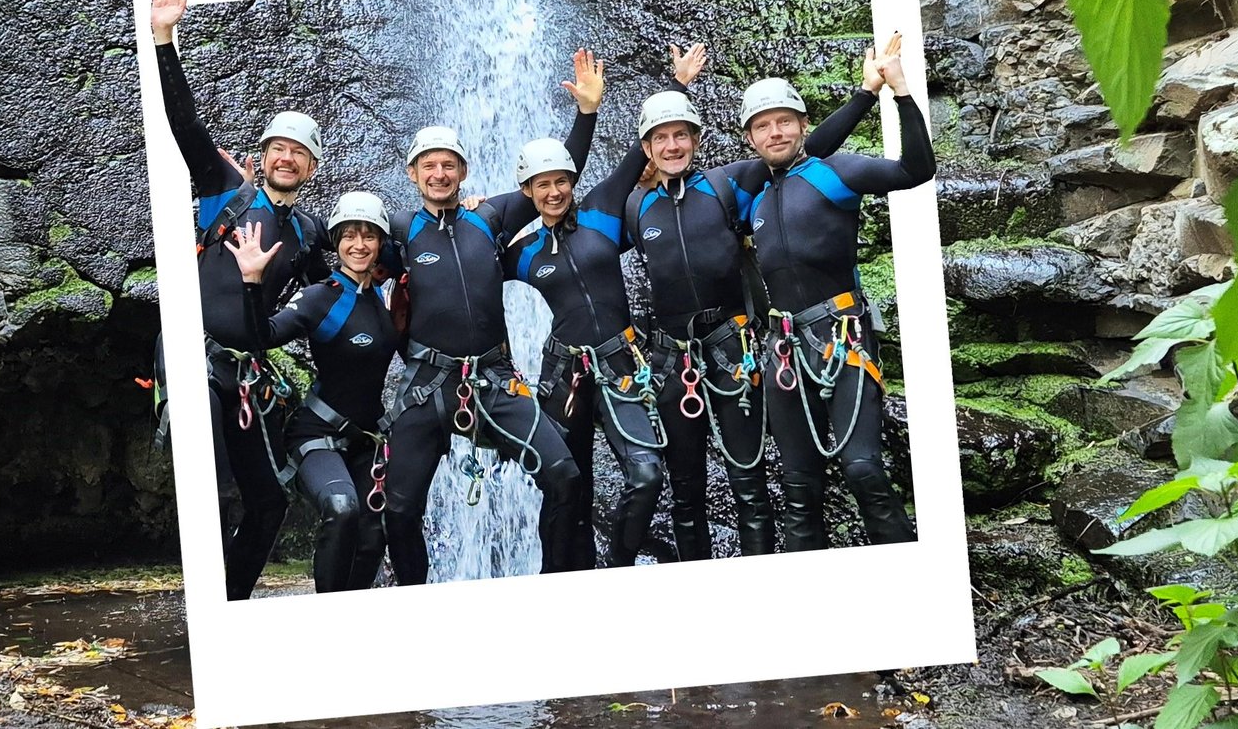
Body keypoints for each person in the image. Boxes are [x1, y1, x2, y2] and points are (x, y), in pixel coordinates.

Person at [625, 43, 886, 560]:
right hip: (672, 358)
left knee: (750, 483)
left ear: (698, 140)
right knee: (685, 493)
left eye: (682, 135)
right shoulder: (636, 206)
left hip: (733, 348)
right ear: (647, 148)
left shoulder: (731, 184)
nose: (672, 146)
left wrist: (867, 94)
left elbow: (802, 154)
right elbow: (575, 225)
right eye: (661, 138)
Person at [378, 51, 603, 585]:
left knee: (565, 475)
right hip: (426, 384)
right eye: (428, 165)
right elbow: (345, 256)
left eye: (448, 164)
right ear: (412, 174)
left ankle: (553, 583)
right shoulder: (398, 229)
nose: (439, 172)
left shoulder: (491, 216)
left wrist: (587, 114)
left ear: (464, 172)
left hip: (496, 378)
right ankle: (416, 597)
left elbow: (556, 176)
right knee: (399, 509)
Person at [150, 0, 330, 600]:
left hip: (245, 373)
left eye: (299, 154)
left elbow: (344, 282)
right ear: (264, 153)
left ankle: (227, 605)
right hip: (194, 355)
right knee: (205, 476)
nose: (287, 158)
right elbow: (184, 122)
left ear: (310, 168)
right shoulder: (226, 188)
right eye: (279, 148)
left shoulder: (309, 232)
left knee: (268, 504)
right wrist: (164, 37)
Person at [505, 49, 700, 568]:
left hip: (618, 363)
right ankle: (563, 576)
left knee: (645, 474)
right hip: (562, 373)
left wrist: (674, 86)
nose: (553, 191)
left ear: (572, 182)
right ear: (527, 192)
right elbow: (468, 279)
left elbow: (643, 155)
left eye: (560, 181)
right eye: (541, 185)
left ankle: (616, 569)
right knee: (566, 484)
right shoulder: (521, 254)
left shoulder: (602, 212)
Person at [743, 33, 935, 550]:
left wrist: (896, 91)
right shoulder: (752, 197)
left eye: (785, 121)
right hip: (782, 346)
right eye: (763, 125)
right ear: (750, 138)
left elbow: (916, 170)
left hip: (841, 334)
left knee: (863, 467)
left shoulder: (837, 174)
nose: (775, 132)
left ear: (804, 126)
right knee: (798, 484)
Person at [227, 192, 399, 594]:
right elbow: (262, 335)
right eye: (349, 236)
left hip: (368, 439)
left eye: (369, 236)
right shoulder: (321, 296)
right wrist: (252, 283)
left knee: (377, 530)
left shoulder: (385, 294)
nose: (359, 245)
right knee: (342, 510)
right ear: (336, 242)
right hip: (317, 435)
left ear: (380, 245)